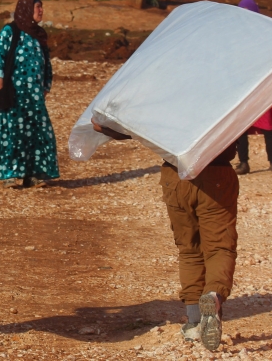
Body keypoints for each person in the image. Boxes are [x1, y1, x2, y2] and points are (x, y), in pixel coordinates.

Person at [92, 120, 238, 352]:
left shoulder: (167, 90)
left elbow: (108, 126)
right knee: (220, 247)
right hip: (216, 172)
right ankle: (213, 296)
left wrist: (111, 122)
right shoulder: (225, 91)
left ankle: (193, 322)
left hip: (175, 174)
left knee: (189, 249)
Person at [0, 0, 60, 189]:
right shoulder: (11, 31)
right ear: (26, 9)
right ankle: (10, 175)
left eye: (41, 7)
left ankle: (35, 174)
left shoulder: (39, 34)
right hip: (12, 92)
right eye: (38, 7)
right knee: (12, 132)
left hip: (34, 95)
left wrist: (46, 87)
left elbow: (46, 63)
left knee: (39, 132)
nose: (41, 11)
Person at [234, 0, 272, 176]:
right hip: (243, 85)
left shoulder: (265, 33)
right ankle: (243, 162)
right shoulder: (235, 35)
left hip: (263, 85)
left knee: (268, 126)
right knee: (241, 126)